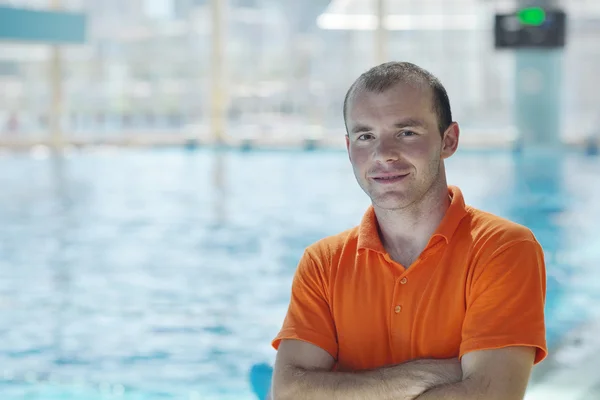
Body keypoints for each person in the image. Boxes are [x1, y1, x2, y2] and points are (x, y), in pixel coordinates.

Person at [267, 62, 547, 400]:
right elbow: (288, 392)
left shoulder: (502, 249)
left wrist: (337, 389)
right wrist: (432, 374)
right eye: (365, 136)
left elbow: (488, 396)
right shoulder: (323, 263)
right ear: (349, 148)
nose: (383, 154)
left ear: (449, 140)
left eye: (406, 133)